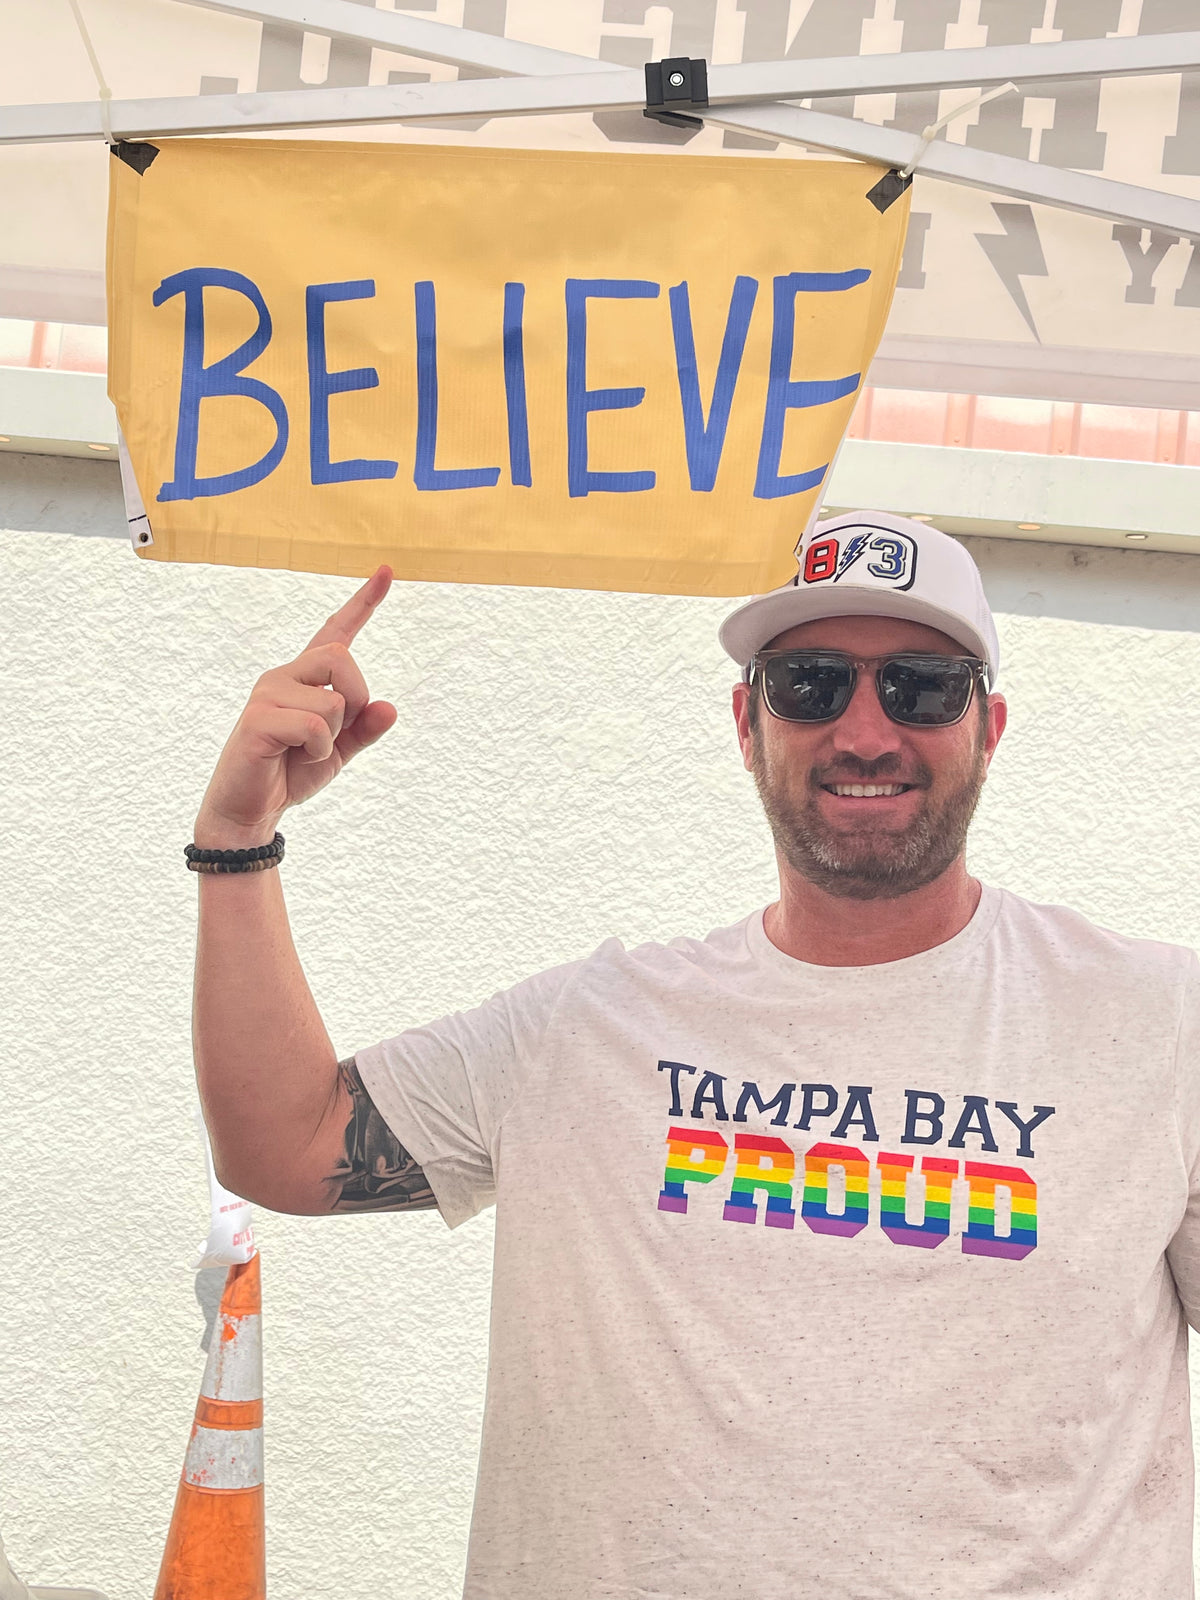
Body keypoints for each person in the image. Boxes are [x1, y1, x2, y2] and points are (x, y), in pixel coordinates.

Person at [190, 509, 1200, 1600]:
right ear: (746, 723)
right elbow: (285, 1145)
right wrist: (238, 839)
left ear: (988, 727)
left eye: (921, 687)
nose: (866, 733)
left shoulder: (1159, 1026)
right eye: (810, 684)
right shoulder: (589, 1029)